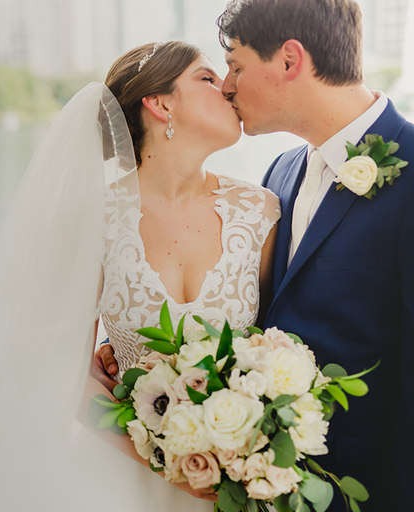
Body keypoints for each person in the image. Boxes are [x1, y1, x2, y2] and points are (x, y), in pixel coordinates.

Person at [96, 0, 414, 509]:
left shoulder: (411, 168)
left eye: (236, 67)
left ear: (289, 61)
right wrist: (141, 357)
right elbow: (262, 320)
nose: (226, 85)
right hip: (248, 484)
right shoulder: (279, 178)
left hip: (362, 488)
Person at [0, 39, 280, 511]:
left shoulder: (260, 211)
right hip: (120, 478)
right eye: (207, 78)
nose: (228, 89)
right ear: (160, 103)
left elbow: (274, 344)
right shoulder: (92, 216)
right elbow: (65, 371)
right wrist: (171, 465)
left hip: (235, 477)